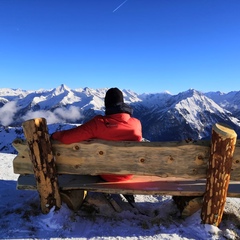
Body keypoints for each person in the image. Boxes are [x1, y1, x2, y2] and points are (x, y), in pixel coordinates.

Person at [51, 87, 142, 182]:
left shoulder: (98, 124)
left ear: (106, 104)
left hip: (106, 174)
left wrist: (54, 136)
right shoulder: (136, 123)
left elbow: (67, 138)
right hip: (129, 173)